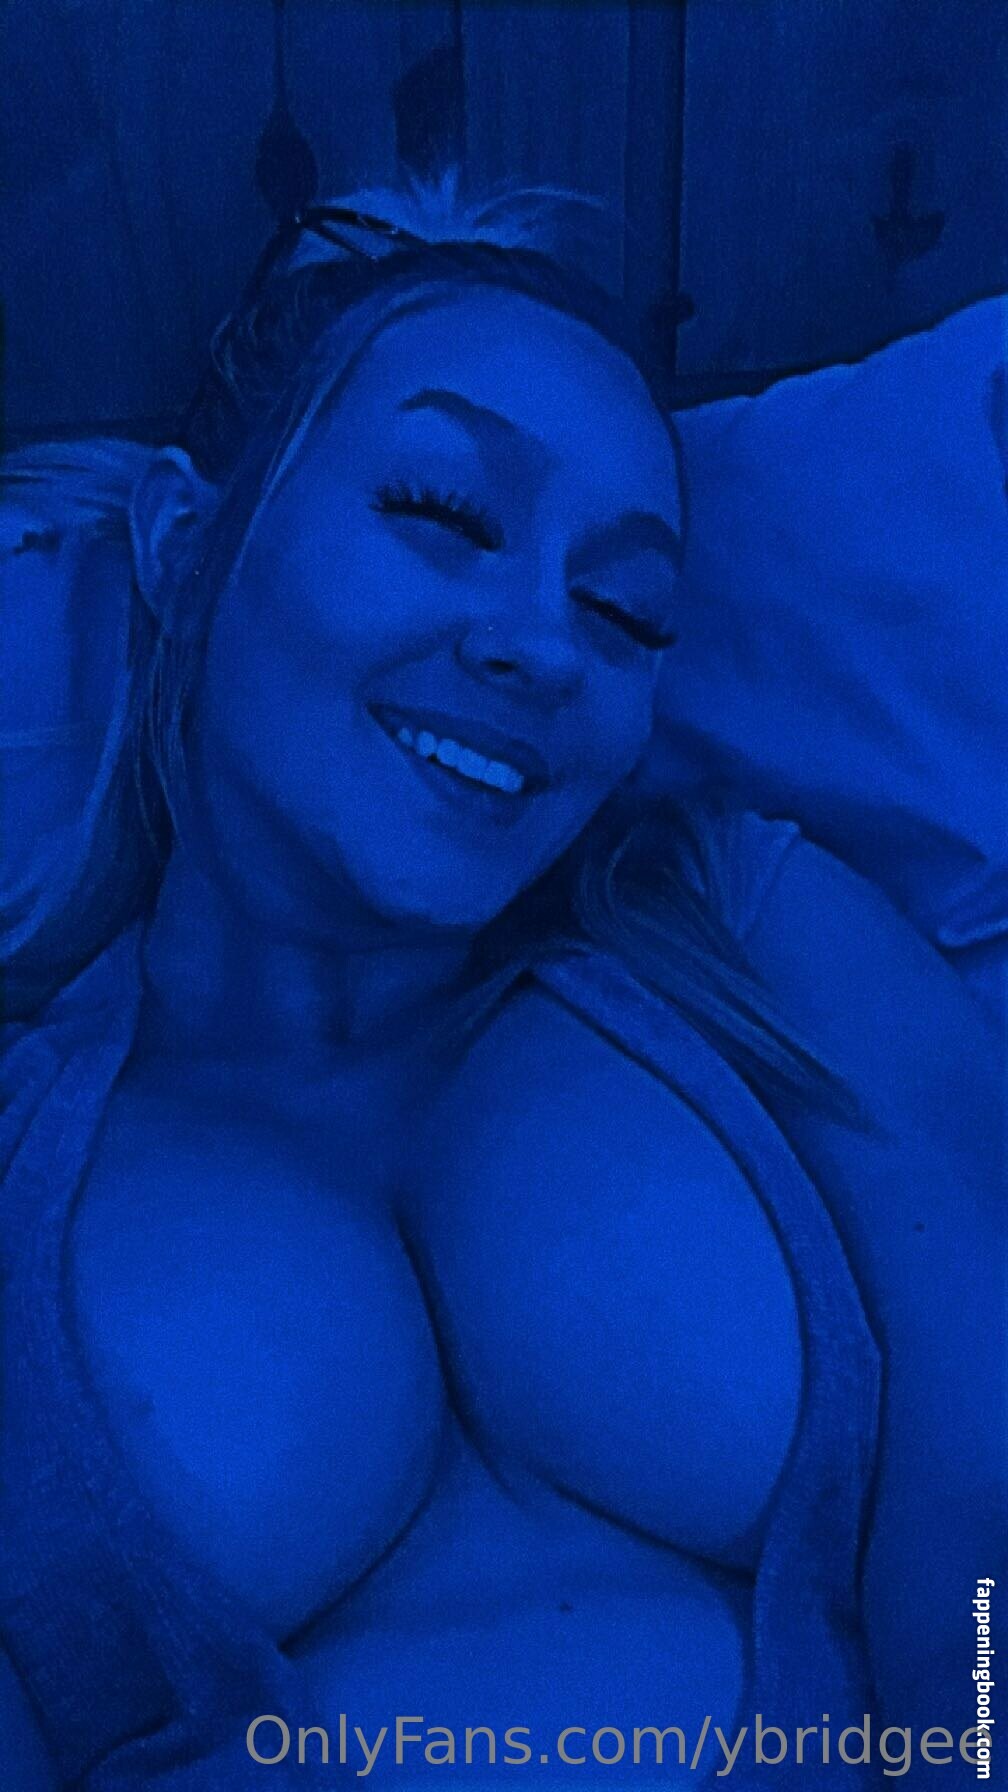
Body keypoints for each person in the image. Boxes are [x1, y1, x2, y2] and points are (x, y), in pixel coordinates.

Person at [0, 184, 998, 1789]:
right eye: (443, 512)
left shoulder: (754, 931)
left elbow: (991, 1509)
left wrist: (979, 1744)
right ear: (185, 546)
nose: (546, 645)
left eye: (626, 609)